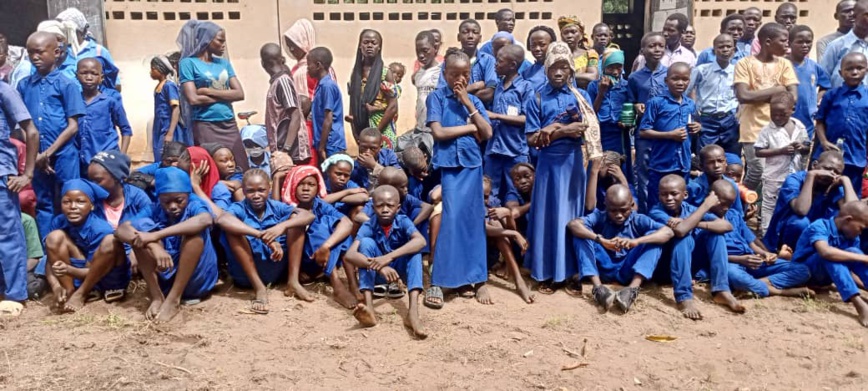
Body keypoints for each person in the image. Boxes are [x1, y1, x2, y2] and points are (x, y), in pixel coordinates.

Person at [524, 41, 601, 295]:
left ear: (570, 70)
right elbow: (532, 139)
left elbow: (588, 131)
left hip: (573, 164)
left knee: (571, 216)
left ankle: (570, 273)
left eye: (564, 68)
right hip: (548, 165)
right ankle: (546, 273)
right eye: (554, 67)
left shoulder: (580, 96)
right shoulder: (536, 97)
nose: (558, 73)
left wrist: (552, 130)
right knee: (548, 217)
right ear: (546, 69)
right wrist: (562, 131)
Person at [425, 48, 493, 308]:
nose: (459, 79)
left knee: (473, 221)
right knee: (450, 219)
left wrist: (467, 102)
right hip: (451, 168)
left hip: (472, 166)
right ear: (445, 73)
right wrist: (470, 127)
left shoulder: (474, 102)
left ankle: (477, 279)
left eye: (465, 74)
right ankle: (440, 280)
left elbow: (486, 133)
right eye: (454, 74)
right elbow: (439, 133)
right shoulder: (437, 98)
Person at [116, 167, 218, 322]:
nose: (172, 206)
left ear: (188, 195)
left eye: (179, 200)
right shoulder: (154, 208)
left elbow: (205, 220)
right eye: (166, 201)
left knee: (195, 234)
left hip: (196, 281)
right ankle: (157, 297)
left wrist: (156, 235)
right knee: (139, 234)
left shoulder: (195, 204)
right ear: (159, 198)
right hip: (166, 279)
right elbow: (121, 229)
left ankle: (173, 300)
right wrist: (153, 245)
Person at [17, 31, 87, 239]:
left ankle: (72, 245)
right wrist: (35, 154)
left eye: (39, 52)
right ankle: (48, 251)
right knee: (44, 201)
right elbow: (22, 124)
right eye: (30, 53)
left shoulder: (67, 84)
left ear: (56, 52)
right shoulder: (24, 85)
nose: (34, 57)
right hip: (36, 158)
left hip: (64, 154)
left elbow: (72, 126)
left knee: (70, 198)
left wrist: (47, 152)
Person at [218, 169, 314, 314]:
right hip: (245, 278)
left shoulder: (277, 207)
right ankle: (259, 288)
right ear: (243, 191)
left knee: (296, 223)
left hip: (277, 273)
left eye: (261, 190)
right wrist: (261, 235)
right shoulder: (239, 208)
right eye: (250, 191)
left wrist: (282, 226)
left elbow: (308, 215)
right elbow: (222, 219)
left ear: (269, 188)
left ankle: (293, 281)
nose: (256, 195)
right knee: (233, 232)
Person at [568, 184, 674, 312]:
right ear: (605, 205)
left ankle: (632, 290)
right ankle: (599, 289)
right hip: (604, 268)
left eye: (623, 210)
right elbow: (573, 224)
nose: (619, 215)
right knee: (582, 235)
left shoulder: (639, 219)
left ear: (632, 205)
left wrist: (636, 241)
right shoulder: (600, 216)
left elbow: (668, 232)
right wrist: (601, 240)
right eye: (613, 210)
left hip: (627, 269)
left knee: (654, 238)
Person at [649, 175, 743, 319]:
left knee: (715, 234)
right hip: (664, 268)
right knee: (684, 237)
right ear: (659, 195)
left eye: (674, 194)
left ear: (685, 194)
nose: (669, 198)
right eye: (664, 194)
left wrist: (694, 222)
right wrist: (706, 206)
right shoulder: (656, 212)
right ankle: (684, 297)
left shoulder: (690, 209)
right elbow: (680, 231)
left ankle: (721, 290)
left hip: (688, 267)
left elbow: (726, 226)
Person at [345, 185, 428, 338]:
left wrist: (388, 258)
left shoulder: (403, 220)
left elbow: (421, 241)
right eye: (379, 205)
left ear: (398, 208)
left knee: (415, 251)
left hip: (399, 273)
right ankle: (369, 308)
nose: (384, 209)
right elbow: (350, 255)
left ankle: (413, 312)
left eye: (389, 205)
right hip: (378, 275)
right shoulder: (369, 225)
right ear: (373, 208)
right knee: (366, 243)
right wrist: (379, 267)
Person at [712, 179, 812, 299]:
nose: (726, 208)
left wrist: (765, 254)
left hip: (752, 259)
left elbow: (751, 243)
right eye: (722, 204)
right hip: (730, 263)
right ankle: (779, 291)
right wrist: (741, 259)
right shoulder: (704, 221)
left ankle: (754, 284)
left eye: (729, 204)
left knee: (803, 270)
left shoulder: (734, 215)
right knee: (734, 275)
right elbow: (710, 256)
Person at [278, 165, 358, 308]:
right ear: (294, 186)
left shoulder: (319, 204)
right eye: (301, 184)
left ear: (318, 188)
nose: (306, 188)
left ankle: (353, 284)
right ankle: (336, 284)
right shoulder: (286, 206)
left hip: (320, 255)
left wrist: (326, 246)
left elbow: (346, 223)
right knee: (319, 227)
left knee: (337, 227)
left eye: (311, 185)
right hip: (296, 260)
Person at [43, 179, 128, 312]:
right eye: (67, 202)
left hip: (105, 277)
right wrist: (56, 286)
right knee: (54, 237)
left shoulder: (100, 228)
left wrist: (68, 270)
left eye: (80, 201)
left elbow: (94, 269)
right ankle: (69, 290)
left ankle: (81, 293)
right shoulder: (58, 221)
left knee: (110, 241)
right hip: (78, 272)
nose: (73, 206)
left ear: (92, 205)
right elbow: (50, 261)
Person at [734, 23, 799, 191]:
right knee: (757, 170)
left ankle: (762, 212)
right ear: (768, 42)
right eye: (783, 41)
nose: (787, 45)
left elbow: (793, 97)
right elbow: (743, 96)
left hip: (779, 129)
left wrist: (759, 96)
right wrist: (777, 90)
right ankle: (740, 203)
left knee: (775, 172)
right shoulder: (744, 64)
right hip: (752, 129)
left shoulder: (784, 64)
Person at [176, 20, 248, 171]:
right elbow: (193, 99)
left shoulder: (224, 64)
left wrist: (208, 91)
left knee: (240, 164)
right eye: (220, 40)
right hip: (205, 124)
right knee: (211, 167)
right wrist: (227, 95)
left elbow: (239, 93)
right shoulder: (188, 63)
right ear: (206, 40)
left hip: (228, 123)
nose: (223, 45)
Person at [764, 151, 858, 254]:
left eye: (836, 172)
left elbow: (855, 214)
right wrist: (812, 176)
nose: (830, 174)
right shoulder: (795, 179)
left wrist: (846, 181)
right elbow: (801, 210)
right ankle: (788, 254)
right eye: (826, 168)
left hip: (816, 237)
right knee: (801, 223)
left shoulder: (834, 186)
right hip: (783, 236)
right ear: (814, 165)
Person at [792, 201, 868, 326]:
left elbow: (849, 271)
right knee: (831, 255)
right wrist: (864, 258)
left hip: (825, 277)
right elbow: (825, 252)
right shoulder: (820, 225)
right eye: (861, 228)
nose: (860, 233)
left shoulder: (852, 237)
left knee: (853, 252)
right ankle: (859, 304)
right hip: (803, 273)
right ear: (848, 220)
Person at [638, 62, 700, 212]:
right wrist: (669, 135)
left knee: (679, 202)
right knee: (657, 201)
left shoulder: (690, 104)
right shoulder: (656, 103)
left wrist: (697, 127)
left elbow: (694, 125)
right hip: (661, 164)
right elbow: (643, 131)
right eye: (675, 79)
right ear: (666, 81)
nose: (680, 83)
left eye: (685, 79)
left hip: (682, 164)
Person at [0, 77, 39, 316]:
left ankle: (15, 295)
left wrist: (28, 174)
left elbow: (31, 131)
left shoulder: (4, 90)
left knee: (7, 235)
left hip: (1, 172)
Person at [755, 92, 810, 235]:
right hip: (774, 176)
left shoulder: (800, 126)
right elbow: (759, 151)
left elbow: (806, 148)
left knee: (790, 205)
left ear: (792, 110)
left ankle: (784, 235)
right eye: (774, 114)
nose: (777, 117)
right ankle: (766, 233)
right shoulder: (767, 130)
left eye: (782, 114)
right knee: (769, 206)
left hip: (795, 176)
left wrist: (802, 148)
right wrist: (780, 151)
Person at [814, 52, 868, 197]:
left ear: (866, 69)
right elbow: (819, 121)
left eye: (859, 68)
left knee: (850, 195)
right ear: (841, 72)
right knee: (822, 194)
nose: (854, 72)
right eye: (849, 69)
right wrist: (824, 141)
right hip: (829, 157)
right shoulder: (831, 95)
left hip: (856, 157)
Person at [283, 18, 334, 166]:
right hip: (301, 121)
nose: (292, 49)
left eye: (294, 45)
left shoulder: (317, 68)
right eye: (289, 45)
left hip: (311, 122)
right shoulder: (299, 67)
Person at [484, 44, 531, 202]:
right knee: (489, 192)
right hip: (494, 150)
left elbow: (526, 119)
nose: (496, 64)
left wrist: (496, 116)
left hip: (515, 151)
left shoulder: (525, 88)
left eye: (499, 61)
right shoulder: (497, 86)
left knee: (516, 193)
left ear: (512, 65)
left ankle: (514, 226)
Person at [629, 32, 668, 214]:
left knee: (664, 173)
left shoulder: (670, 75)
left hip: (667, 132)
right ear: (643, 50)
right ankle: (645, 213)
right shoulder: (635, 78)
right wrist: (635, 106)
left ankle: (663, 213)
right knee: (643, 174)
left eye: (660, 46)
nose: (657, 49)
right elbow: (629, 103)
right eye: (652, 46)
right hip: (644, 133)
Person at [482, 176, 533, 304]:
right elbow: (483, 228)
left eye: (487, 196)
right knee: (494, 225)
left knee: (497, 224)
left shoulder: (492, 203)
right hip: (472, 257)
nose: (485, 201)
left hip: (489, 256)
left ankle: (518, 280)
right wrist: (515, 233)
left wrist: (508, 214)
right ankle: (517, 280)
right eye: (482, 197)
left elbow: (508, 232)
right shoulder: (469, 204)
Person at [76, 58, 132, 172]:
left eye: (94, 74)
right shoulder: (73, 101)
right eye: (84, 73)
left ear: (101, 78)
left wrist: (121, 156)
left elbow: (126, 129)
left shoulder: (109, 101)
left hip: (106, 161)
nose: (89, 77)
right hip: (81, 160)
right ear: (76, 75)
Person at [687, 34, 740, 155]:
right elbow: (686, 92)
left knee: (731, 157)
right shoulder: (701, 70)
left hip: (729, 121)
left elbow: (741, 96)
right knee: (706, 156)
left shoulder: (737, 71)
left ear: (734, 50)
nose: (725, 50)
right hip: (707, 120)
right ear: (714, 50)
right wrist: (694, 116)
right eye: (721, 47)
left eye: (728, 46)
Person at [260, 43, 308, 165]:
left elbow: (295, 116)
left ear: (264, 64)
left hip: (291, 153)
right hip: (282, 151)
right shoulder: (276, 83)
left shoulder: (283, 82)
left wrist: (286, 150)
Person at [348, 29, 398, 145]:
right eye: (365, 42)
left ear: (379, 47)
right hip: (361, 130)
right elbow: (353, 104)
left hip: (382, 131)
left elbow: (393, 107)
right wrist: (355, 133)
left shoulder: (385, 73)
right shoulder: (356, 74)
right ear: (360, 46)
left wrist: (375, 132)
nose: (369, 46)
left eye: (373, 43)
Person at [55, 7, 121, 89]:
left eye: (68, 30)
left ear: (81, 30)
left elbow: (115, 84)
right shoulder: (61, 53)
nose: (64, 34)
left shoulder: (99, 51)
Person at [435, 20, 497, 106]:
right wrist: (475, 86)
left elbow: (489, 93)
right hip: (454, 111)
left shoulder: (488, 60)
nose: (470, 36)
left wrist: (460, 95)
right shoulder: (450, 61)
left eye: (475, 32)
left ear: (480, 38)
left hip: (482, 114)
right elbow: (442, 93)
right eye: (465, 32)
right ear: (458, 37)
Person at [788, 25, 831, 140]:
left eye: (808, 42)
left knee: (803, 152)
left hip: (807, 118)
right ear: (789, 43)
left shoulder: (814, 66)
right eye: (800, 42)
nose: (805, 45)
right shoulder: (783, 65)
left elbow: (825, 85)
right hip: (786, 117)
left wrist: (816, 100)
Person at [588, 49, 629, 156]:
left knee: (620, 163)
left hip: (619, 132)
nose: (615, 72)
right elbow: (591, 112)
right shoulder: (593, 86)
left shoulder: (626, 86)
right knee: (599, 164)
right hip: (600, 132)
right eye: (610, 68)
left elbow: (630, 106)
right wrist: (601, 92)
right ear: (603, 67)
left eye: (618, 67)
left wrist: (627, 121)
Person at [307, 47, 346, 160]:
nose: (307, 68)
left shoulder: (327, 86)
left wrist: (322, 147)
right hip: (326, 143)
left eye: (309, 64)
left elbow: (328, 118)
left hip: (331, 144)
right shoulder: (321, 86)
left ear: (318, 65)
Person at [820, 0, 868, 89]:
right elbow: (824, 78)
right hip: (840, 101)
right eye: (867, 15)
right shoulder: (836, 46)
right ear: (855, 17)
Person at [687, 145, 745, 216]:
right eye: (710, 162)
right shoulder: (693, 187)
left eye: (720, 161)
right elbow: (684, 212)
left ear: (725, 163)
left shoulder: (731, 185)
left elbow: (738, 212)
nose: (716, 166)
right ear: (701, 166)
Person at [150, 55, 188, 161]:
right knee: (159, 155)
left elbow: (176, 109)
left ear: (159, 69)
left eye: (153, 69)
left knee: (168, 156)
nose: (151, 72)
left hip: (168, 127)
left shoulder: (169, 86)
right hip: (159, 126)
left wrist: (170, 133)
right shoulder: (159, 86)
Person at [321, 153, 368, 217]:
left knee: (360, 209)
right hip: (326, 220)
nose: (342, 178)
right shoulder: (322, 185)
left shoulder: (349, 184)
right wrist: (347, 192)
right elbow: (320, 201)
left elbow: (364, 197)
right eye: (338, 174)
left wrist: (333, 198)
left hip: (346, 218)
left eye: (346, 175)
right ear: (328, 171)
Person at [557, 16, 599, 88]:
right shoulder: (557, 55)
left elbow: (593, 76)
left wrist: (566, 75)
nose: (569, 36)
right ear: (561, 36)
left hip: (584, 96)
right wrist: (582, 76)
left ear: (581, 35)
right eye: (566, 33)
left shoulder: (590, 54)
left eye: (573, 32)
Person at [412, 31, 441, 131]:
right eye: (418, 51)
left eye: (425, 50)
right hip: (421, 126)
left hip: (437, 127)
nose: (421, 55)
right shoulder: (418, 74)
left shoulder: (442, 72)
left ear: (435, 49)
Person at [522, 26, 558, 91]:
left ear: (552, 45)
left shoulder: (562, 70)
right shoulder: (526, 73)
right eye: (533, 45)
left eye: (542, 45)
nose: (537, 49)